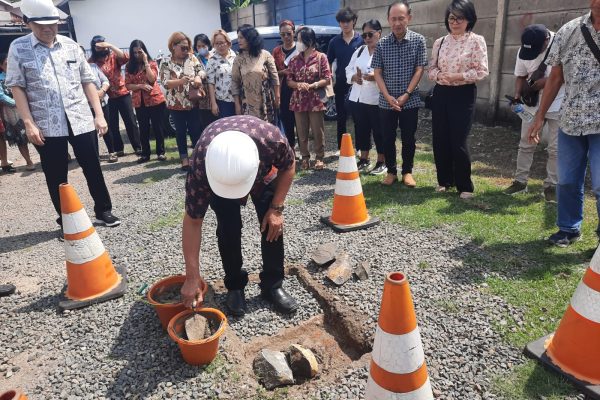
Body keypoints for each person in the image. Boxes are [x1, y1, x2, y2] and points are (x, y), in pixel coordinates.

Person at [7, 0, 120, 233]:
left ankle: (103, 210)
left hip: (80, 117)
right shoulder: (18, 48)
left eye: (53, 24)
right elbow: (17, 86)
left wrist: (99, 114)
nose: (48, 29)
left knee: (92, 165)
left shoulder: (71, 46)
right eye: (41, 25)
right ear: (28, 23)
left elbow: (87, 81)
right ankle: (67, 220)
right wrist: (28, 123)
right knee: (56, 173)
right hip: (45, 123)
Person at [181, 115, 298, 317]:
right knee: (228, 227)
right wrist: (192, 277)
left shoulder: (271, 141)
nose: (239, 196)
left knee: (272, 222)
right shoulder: (201, 165)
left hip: (262, 174)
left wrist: (277, 208)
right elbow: (192, 222)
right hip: (218, 175)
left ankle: (273, 284)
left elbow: (288, 165)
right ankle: (235, 285)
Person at [528, 1, 600, 247]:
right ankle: (568, 228)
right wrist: (539, 116)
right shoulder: (569, 30)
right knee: (567, 180)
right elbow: (555, 77)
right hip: (571, 119)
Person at [427, 0, 488, 199]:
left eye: (459, 18)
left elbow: (481, 71)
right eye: (451, 18)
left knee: (459, 139)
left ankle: (465, 185)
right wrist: (438, 76)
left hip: (463, 93)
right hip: (442, 92)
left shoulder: (476, 40)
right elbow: (432, 68)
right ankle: (444, 180)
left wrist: (458, 77)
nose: (455, 22)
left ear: (469, 19)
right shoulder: (440, 42)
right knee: (440, 137)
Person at [504, 24, 564, 202]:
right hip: (532, 104)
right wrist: (517, 95)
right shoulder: (524, 49)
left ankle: (551, 186)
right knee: (526, 142)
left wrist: (546, 82)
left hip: (558, 103)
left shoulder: (562, 43)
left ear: (546, 40)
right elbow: (520, 75)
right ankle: (520, 181)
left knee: (555, 148)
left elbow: (569, 73)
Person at [372, 1, 427, 187]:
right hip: (386, 100)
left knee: (408, 137)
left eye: (401, 18)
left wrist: (406, 94)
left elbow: (419, 69)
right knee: (387, 137)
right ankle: (391, 171)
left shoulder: (418, 40)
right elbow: (377, 72)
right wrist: (387, 96)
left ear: (409, 18)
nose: (397, 23)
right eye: (393, 19)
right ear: (388, 20)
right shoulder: (382, 44)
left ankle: (407, 172)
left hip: (409, 100)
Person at [287, 27, 332, 171]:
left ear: (309, 41)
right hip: (298, 100)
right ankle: (305, 157)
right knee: (301, 131)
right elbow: (289, 80)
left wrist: (313, 85)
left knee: (317, 130)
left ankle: (319, 157)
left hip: (315, 100)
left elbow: (327, 78)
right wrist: (298, 84)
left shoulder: (321, 57)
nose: (297, 42)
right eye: (297, 39)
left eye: (300, 40)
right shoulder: (294, 59)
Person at [89, 35, 142, 156]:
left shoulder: (113, 56)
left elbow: (126, 57)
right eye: (98, 46)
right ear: (93, 47)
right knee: (112, 125)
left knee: (130, 121)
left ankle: (137, 147)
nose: (102, 48)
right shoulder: (92, 62)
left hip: (123, 93)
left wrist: (111, 46)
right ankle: (118, 149)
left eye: (103, 45)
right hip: (107, 98)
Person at [159, 32, 205, 171]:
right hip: (175, 104)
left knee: (195, 130)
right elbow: (165, 83)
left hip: (192, 101)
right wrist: (180, 81)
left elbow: (201, 71)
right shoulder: (166, 62)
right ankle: (184, 159)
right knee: (180, 132)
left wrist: (199, 77)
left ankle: (196, 158)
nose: (186, 50)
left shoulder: (192, 58)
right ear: (173, 46)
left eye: (187, 47)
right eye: (183, 48)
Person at [345, 20, 386, 175]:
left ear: (379, 33)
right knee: (361, 129)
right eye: (364, 35)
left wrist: (375, 76)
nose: (367, 38)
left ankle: (382, 161)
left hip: (376, 98)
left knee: (378, 130)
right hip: (358, 97)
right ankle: (364, 159)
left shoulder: (384, 50)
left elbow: (388, 73)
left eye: (371, 34)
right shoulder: (360, 50)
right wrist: (354, 77)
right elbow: (347, 69)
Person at [327, 7, 364, 151]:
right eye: (342, 21)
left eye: (348, 21)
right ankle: (341, 148)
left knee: (358, 118)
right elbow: (328, 62)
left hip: (359, 84)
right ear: (339, 23)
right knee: (341, 118)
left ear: (354, 21)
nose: (345, 24)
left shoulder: (361, 40)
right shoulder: (334, 42)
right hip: (341, 85)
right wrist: (330, 79)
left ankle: (361, 147)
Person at [125, 39, 167, 163]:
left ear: (144, 51)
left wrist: (145, 62)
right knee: (143, 129)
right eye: (134, 53)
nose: (137, 55)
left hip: (155, 100)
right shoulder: (129, 66)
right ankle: (145, 154)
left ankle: (160, 152)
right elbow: (128, 85)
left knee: (158, 127)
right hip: (140, 102)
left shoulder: (151, 63)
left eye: (139, 52)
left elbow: (152, 79)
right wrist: (140, 86)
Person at [231, 25, 280, 124]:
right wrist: (237, 105)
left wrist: (278, 97)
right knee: (251, 131)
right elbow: (235, 82)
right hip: (247, 103)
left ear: (250, 38)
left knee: (268, 131)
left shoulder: (265, 55)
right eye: (238, 37)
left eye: (241, 37)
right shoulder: (238, 59)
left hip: (266, 102)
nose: (239, 40)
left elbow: (275, 77)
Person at [0, 52, 35, 171]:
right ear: (1, 66)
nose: (8, 65)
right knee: (20, 137)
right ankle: (29, 161)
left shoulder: (20, 75)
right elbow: (1, 95)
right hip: (11, 112)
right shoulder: (0, 79)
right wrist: (17, 103)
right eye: (5, 63)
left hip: (27, 107)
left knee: (38, 132)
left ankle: (50, 156)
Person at [84, 46, 118, 163]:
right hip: (85, 106)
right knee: (91, 132)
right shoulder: (70, 73)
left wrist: (102, 91)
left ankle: (112, 152)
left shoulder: (93, 67)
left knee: (106, 128)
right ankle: (95, 155)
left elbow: (105, 81)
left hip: (102, 102)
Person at [272, 20, 298, 147]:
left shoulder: (300, 48)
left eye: (289, 33)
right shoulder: (276, 51)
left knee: (301, 122)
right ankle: (291, 148)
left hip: (299, 90)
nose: (286, 37)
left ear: (294, 32)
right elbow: (272, 73)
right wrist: (284, 72)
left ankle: (305, 152)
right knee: (287, 120)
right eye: (283, 35)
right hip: (283, 90)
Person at [206, 29, 237, 119]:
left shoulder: (236, 57)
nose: (220, 46)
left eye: (222, 42)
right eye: (217, 44)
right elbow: (211, 83)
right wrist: (213, 103)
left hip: (238, 99)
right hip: (223, 102)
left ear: (228, 42)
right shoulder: (212, 61)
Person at [193, 34, 217, 134]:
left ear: (208, 45)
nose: (201, 48)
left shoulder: (215, 56)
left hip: (218, 95)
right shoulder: (195, 60)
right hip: (204, 99)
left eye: (203, 45)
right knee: (208, 128)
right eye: (199, 46)